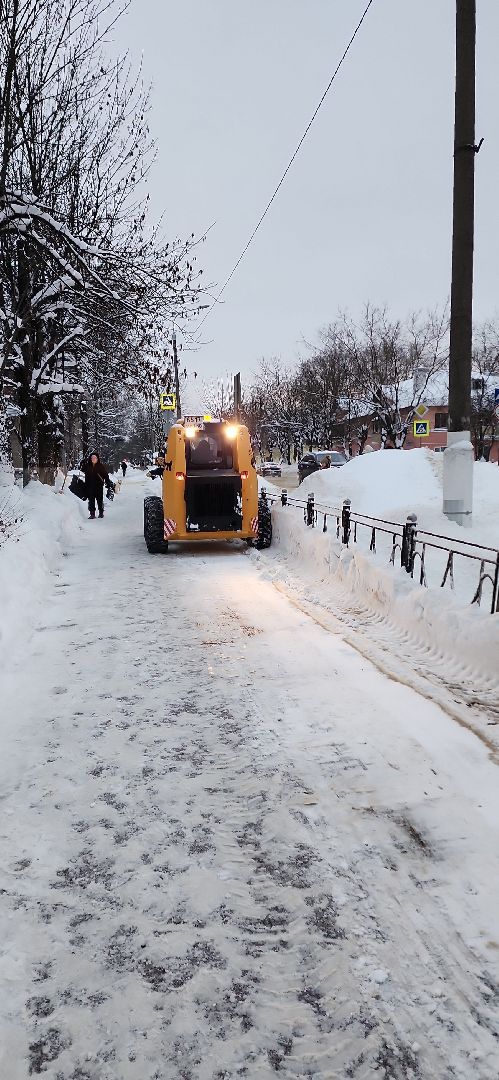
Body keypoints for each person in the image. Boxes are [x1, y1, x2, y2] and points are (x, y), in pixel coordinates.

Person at [80, 452, 112, 519]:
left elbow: (106, 475)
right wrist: (82, 463)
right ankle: (92, 514)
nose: (93, 459)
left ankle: (101, 513)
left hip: (98, 486)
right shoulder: (87, 466)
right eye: (92, 458)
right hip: (89, 486)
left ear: (97, 459)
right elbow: (82, 470)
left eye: (95, 458)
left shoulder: (100, 466)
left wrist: (108, 483)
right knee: (91, 500)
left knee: (99, 500)